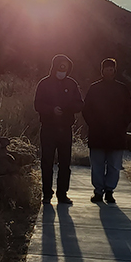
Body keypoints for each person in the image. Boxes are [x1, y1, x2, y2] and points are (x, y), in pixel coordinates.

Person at [82, 58, 131, 204]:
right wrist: (93, 123)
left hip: (116, 134)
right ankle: (98, 191)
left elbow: (130, 109)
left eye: (111, 69)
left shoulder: (122, 88)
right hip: (97, 133)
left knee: (114, 165)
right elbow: (86, 109)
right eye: (106, 69)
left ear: (114, 71)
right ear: (102, 71)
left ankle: (109, 191)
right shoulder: (94, 88)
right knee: (97, 165)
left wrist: (123, 124)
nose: (109, 72)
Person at [34, 54, 83, 205]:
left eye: (65, 66)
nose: (63, 69)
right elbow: (37, 105)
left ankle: (63, 194)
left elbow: (80, 104)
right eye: (60, 66)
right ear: (54, 66)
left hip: (66, 129)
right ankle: (47, 194)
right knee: (46, 162)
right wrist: (51, 110)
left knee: (65, 163)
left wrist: (68, 109)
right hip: (48, 128)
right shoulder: (44, 83)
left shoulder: (72, 84)